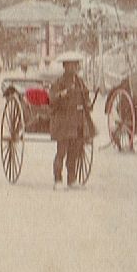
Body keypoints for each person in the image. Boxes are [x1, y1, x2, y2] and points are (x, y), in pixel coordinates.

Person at [49, 51, 91, 190]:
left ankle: (72, 179)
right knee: (61, 151)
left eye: (75, 65)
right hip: (62, 121)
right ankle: (58, 180)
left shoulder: (79, 82)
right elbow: (52, 100)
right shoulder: (58, 82)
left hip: (76, 121)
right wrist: (63, 94)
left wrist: (88, 103)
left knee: (74, 151)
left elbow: (85, 95)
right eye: (71, 66)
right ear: (65, 66)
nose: (74, 68)